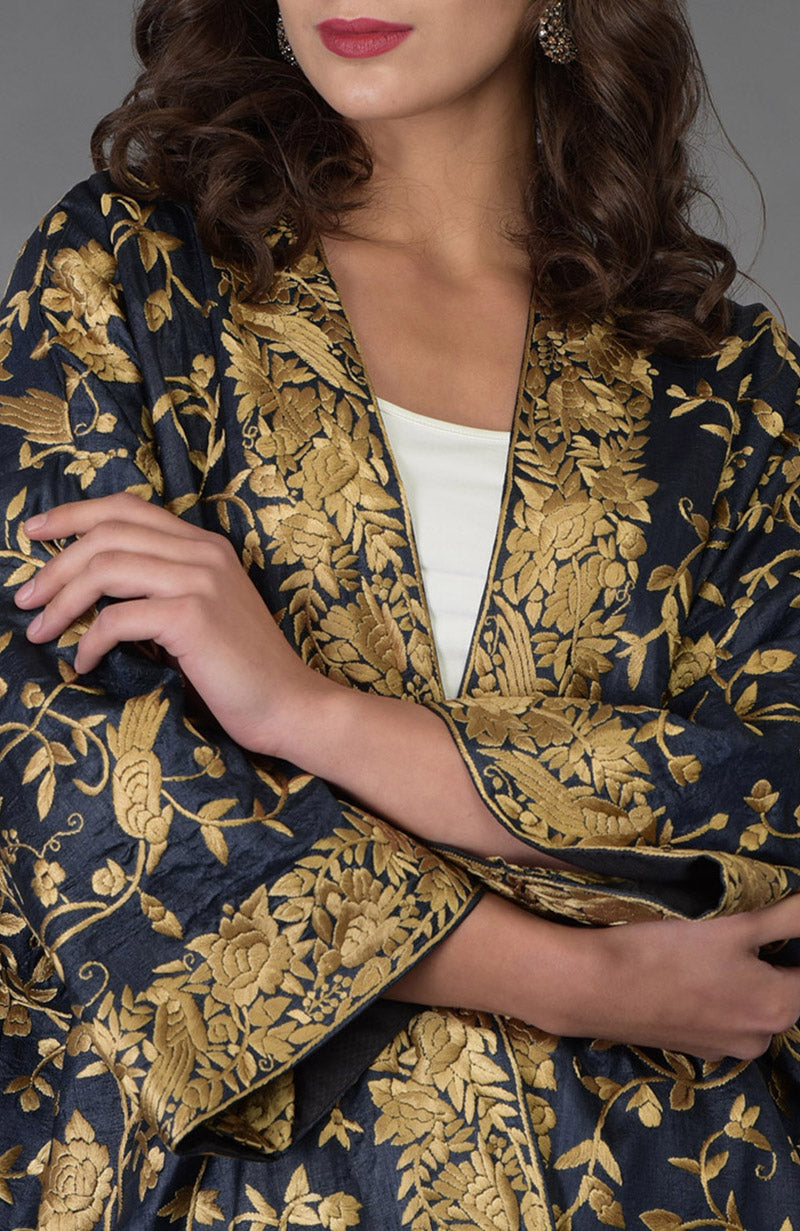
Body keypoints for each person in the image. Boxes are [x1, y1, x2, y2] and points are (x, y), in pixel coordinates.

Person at [1, 0, 799, 1227]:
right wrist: (579, 977)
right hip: (254, 1196)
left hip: (659, 1180)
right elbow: (93, 806)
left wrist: (301, 713)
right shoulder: (130, 280)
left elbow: (756, 803)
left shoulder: (727, 389)